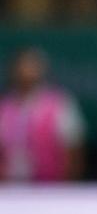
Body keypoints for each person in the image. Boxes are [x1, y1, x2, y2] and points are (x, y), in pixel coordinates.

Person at [0, 47, 85, 182]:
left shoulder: (59, 104)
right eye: (22, 65)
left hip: (49, 189)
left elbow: (73, 150)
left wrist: (68, 187)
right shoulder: (3, 107)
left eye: (32, 66)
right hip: (8, 190)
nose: (26, 71)